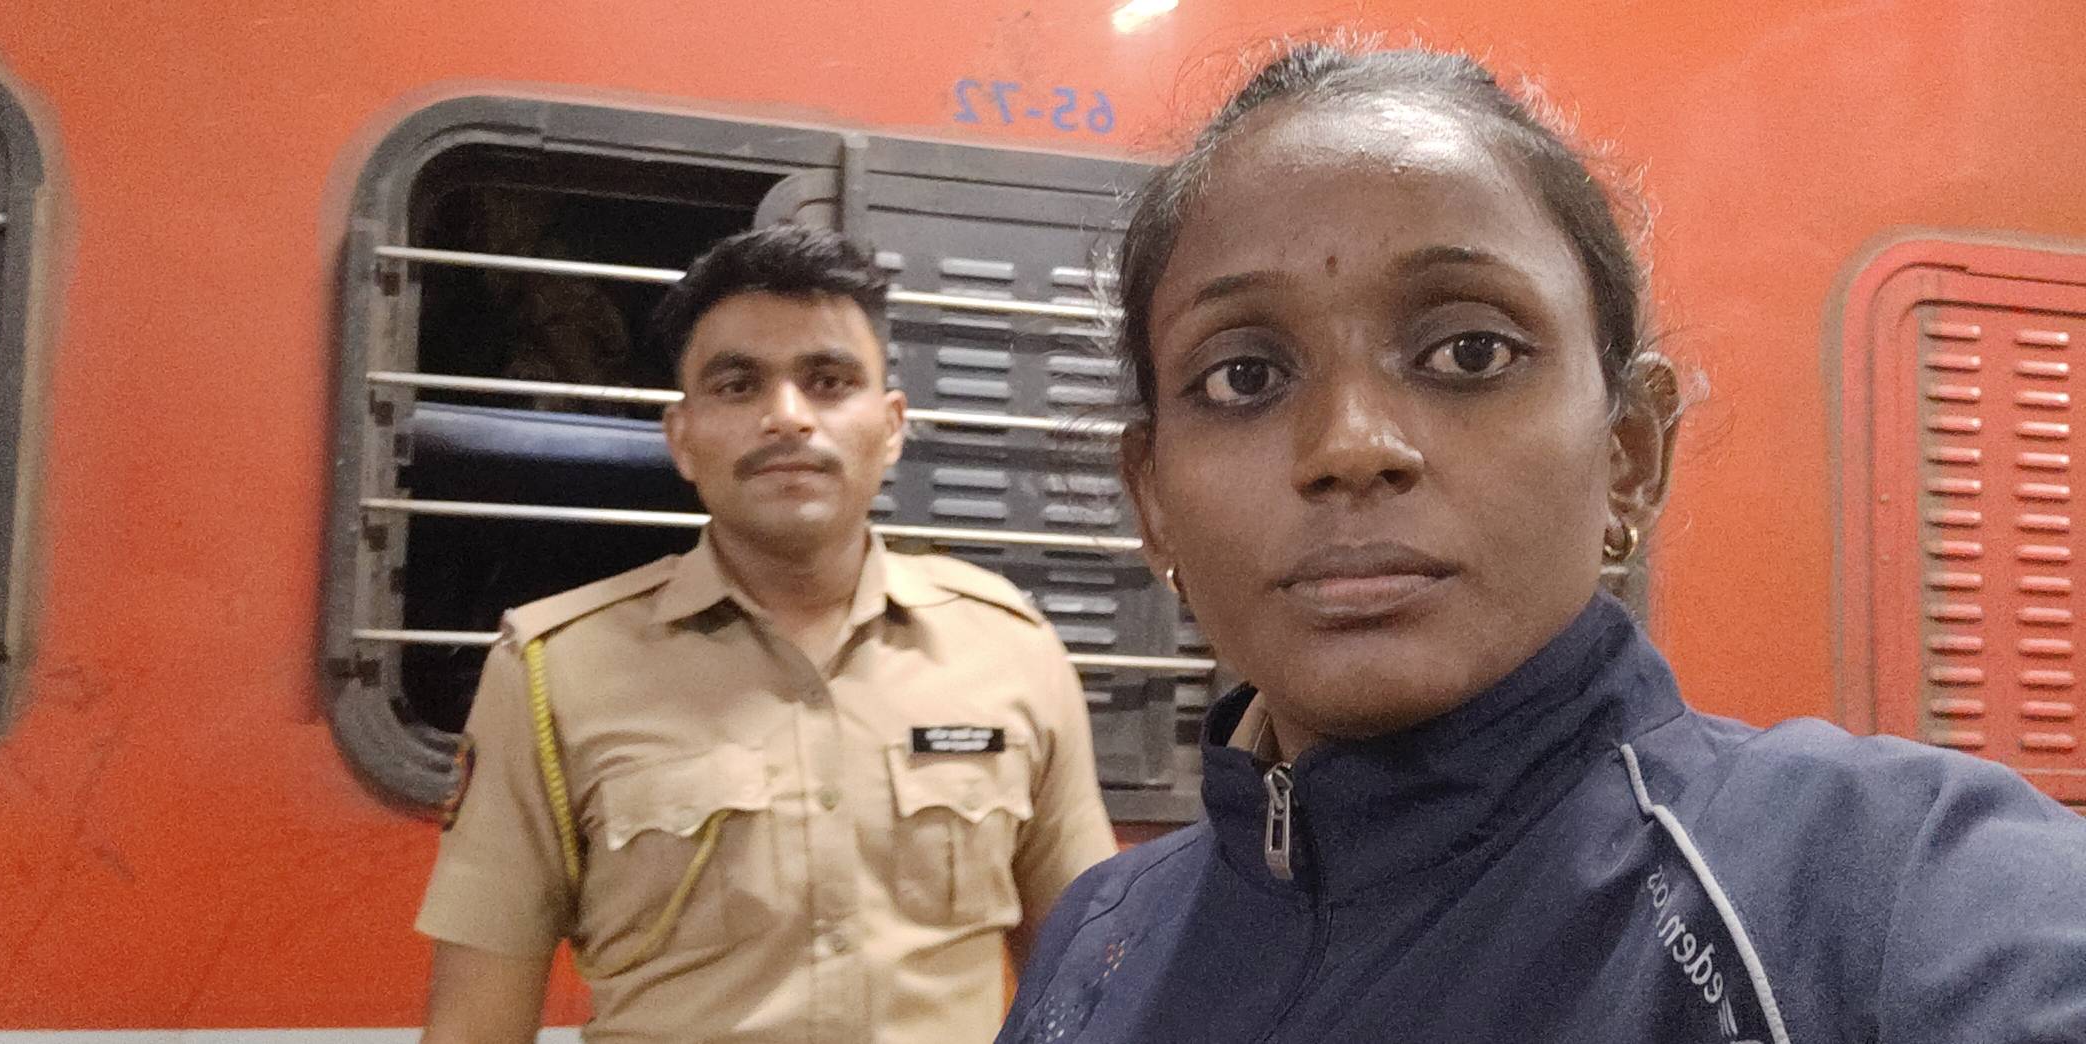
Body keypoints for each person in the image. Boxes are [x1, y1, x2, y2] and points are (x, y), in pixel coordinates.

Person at [999, 41, 2086, 1044]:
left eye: (1470, 352)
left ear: (1629, 453)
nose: (1350, 447)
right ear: (1152, 498)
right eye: (1244, 376)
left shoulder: (1884, 890)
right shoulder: (1102, 942)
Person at [416, 224, 1117, 1044]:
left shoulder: (1011, 652)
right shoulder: (554, 674)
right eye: (738, 385)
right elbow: (475, 1025)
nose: (787, 417)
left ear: (891, 426)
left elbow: (1088, 991)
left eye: (828, 381)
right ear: (683, 439)